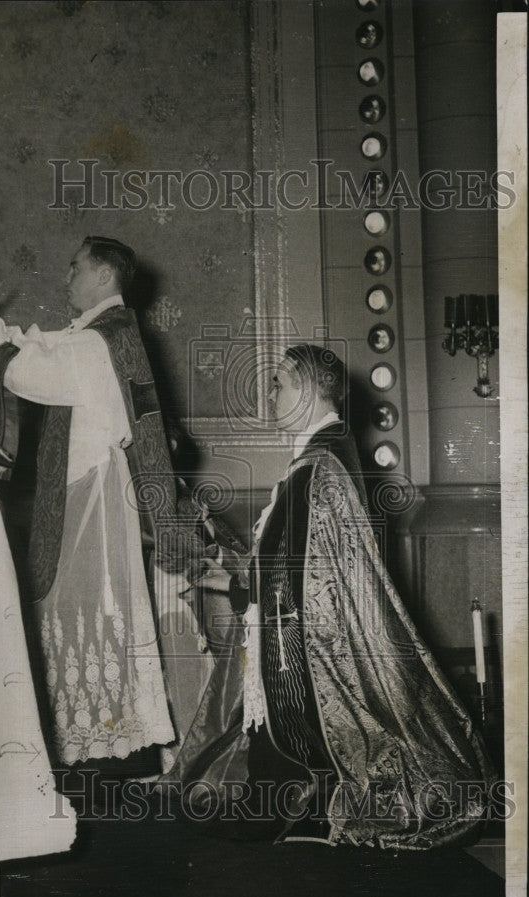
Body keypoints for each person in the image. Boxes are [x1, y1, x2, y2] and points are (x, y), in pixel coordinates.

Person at [160, 344, 494, 849]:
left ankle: (308, 815)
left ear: (309, 389)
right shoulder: (319, 460)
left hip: (304, 645)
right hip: (294, 633)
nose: (270, 393)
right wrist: (229, 576)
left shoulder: (319, 467)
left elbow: (298, 577)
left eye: (278, 382)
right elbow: (288, 564)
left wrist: (233, 583)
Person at [0, 237, 182, 807]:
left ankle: (106, 758)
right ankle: (103, 752)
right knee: (87, 619)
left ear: (105, 274)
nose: (67, 275)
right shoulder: (102, 334)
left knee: (88, 615)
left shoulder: (98, 343)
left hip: (91, 502)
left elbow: (27, 369)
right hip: (87, 492)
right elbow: (24, 343)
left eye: (75, 265)